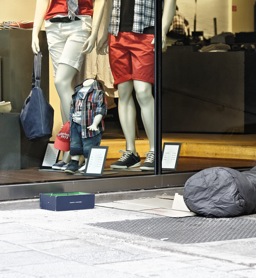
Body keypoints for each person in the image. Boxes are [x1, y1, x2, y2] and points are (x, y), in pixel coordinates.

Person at [98, 0, 176, 171]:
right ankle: (130, 151)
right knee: (124, 93)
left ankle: (155, 150)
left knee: (143, 92)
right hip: (117, 34)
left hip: (146, 33)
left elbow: (170, 1)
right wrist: (104, 32)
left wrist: (163, 30)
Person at [31, 0, 106, 170]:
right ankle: (71, 150)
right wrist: (35, 31)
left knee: (62, 82)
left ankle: (76, 149)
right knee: (63, 88)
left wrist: (94, 32)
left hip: (79, 23)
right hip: (53, 25)